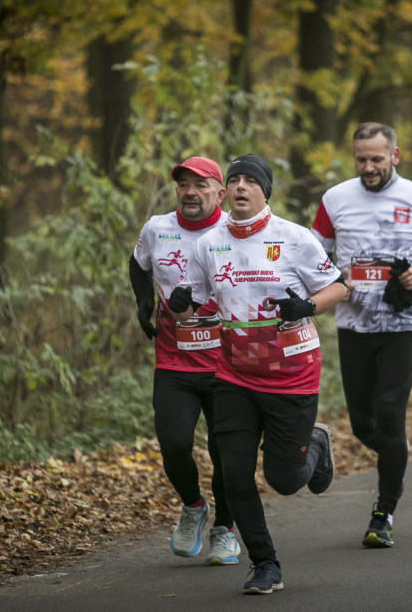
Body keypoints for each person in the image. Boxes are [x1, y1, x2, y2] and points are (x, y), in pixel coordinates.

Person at [168, 153, 347, 595]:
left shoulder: (294, 238)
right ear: (225, 191)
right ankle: (265, 564)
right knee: (234, 471)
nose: (241, 187)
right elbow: (204, 302)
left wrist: (307, 306)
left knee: (285, 480)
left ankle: (317, 442)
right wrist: (182, 305)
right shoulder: (208, 243)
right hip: (235, 374)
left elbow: (339, 285)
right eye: (235, 181)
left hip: (292, 373)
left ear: (266, 191)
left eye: (251, 181)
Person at [310, 122, 412, 548]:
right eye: (361, 159)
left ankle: (384, 512)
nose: (368, 167)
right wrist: (333, 276)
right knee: (364, 424)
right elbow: (313, 253)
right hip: (353, 324)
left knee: (390, 410)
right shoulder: (335, 199)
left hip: (403, 323)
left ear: (394, 156)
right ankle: (393, 449)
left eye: (377, 159)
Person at [127, 156, 241, 565]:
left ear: (220, 193)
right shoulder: (157, 228)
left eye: (201, 185)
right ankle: (194, 506)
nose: (191, 192)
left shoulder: (235, 231)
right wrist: (144, 302)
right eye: (183, 185)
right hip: (174, 361)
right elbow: (138, 266)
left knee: (225, 450)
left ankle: (225, 527)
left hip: (228, 364)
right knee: (174, 444)